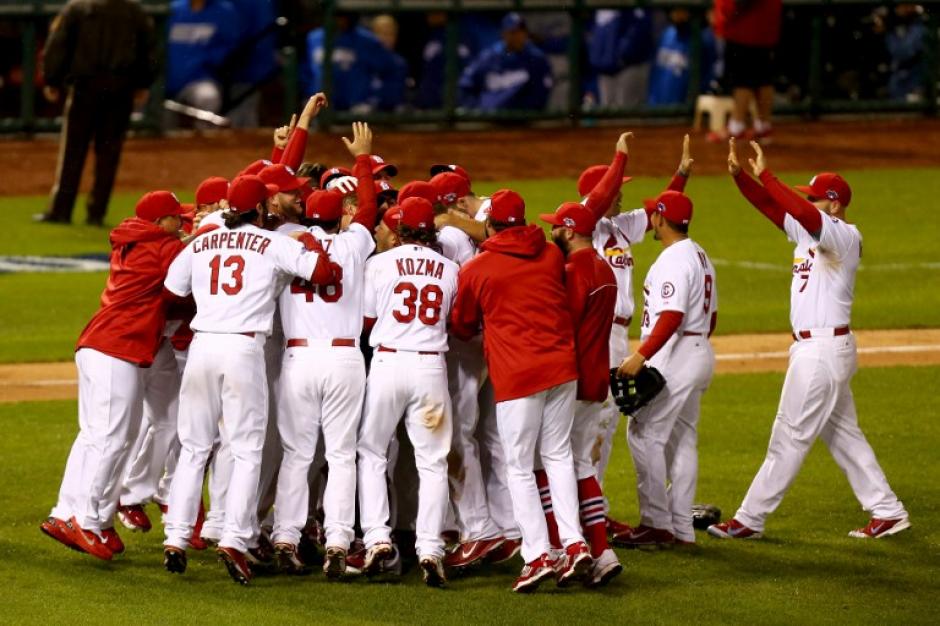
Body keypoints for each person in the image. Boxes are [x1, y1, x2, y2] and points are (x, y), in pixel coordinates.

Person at [708, 140, 910, 540]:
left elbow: (797, 210)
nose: (806, 203)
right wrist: (741, 179)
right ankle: (888, 510)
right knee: (843, 433)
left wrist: (768, 175)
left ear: (834, 205)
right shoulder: (809, 233)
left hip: (821, 352)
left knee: (788, 436)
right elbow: (773, 208)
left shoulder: (844, 237)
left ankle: (749, 519)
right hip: (817, 350)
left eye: (815, 198)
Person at [161, 175, 338, 585]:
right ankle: (236, 540)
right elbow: (323, 272)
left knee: (193, 448)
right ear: (261, 208)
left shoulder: (203, 236)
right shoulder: (273, 242)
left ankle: (176, 538)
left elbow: (172, 289)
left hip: (203, 345)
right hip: (243, 350)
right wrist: (309, 240)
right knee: (246, 450)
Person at [449, 189, 591, 593]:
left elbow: (461, 325)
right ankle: (575, 543)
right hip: (563, 368)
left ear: (490, 224)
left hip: (518, 376)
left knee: (519, 466)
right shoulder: (548, 252)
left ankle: (538, 554)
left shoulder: (477, 268)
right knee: (558, 456)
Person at [41, 191, 187, 559]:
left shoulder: (135, 239)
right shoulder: (161, 247)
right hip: (116, 350)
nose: (180, 223)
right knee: (112, 437)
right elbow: (186, 285)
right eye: (174, 218)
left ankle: (66, 512)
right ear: (159, 222)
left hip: (98, 345)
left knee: (94, 436)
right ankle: (86, 521)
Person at [272, 122, 378, 578]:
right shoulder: (355, 242)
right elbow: (370, 209)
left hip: (297, 361)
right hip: (344, 360)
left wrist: (283, 149)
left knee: (297, 455)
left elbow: (271, 199)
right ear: (341, 216)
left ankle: (285, 537)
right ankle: (338, 540)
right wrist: (364, 159)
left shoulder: (283, 242)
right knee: (341, 454)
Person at [357, 197, 459, 588]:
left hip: (387, 365)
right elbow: (456, 321)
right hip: (431, 368)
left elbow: (367, 321)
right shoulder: (450, 269)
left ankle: (378, 538)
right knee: (433, 463)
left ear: (398, 231)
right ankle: (431, 548)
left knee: (371, 452)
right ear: (431, 231)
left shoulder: (378, 264)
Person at [615, 189, 717, 548]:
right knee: (683, 438)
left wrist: (641, 355)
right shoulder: (700, 255)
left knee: (645, 434)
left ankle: (656, 524)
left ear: (659, 218)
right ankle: (681, 528)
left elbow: (671, 316)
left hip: (675, 351)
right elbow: (713, 316)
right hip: (700, 348)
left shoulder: (674, 259)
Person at [538, 201, 622, 587]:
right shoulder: (605, 267)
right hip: (597, 377)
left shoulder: (574, 271)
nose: (553, 231)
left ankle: (561, 547)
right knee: (580, 464)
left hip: (570, 380)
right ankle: (603, 551)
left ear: (570, 231)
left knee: (547, 462)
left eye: (557, 226)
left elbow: (563, 322)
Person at [37, 0, 157, 226]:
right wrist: (143, 83)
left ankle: (61, 210)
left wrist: (52, 78)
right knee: (109, 154)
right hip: (120, 90)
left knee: (73, 151)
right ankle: (97, 213)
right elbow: (149, 50)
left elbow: (58, 44)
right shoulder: (134, 10)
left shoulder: (78, 8)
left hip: (85, 88)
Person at [710, 0, 782, 142]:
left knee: (742, 79)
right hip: (764, 27)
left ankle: (736, 127)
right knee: (763, 77)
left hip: (743, 27)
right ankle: (763, 126)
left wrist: (724, 14)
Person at [305, 13, 403, 112]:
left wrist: (375, 101)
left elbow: (393, 68)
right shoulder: (313, 38)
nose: (340, 20)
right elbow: (306, 72)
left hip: (355, 110)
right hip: (319, 108)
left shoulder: (366, 40)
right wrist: (307, 96)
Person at [166, 0, 240, 126]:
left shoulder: (224, 11)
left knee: (208, 97)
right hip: (167, 81)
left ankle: (206, 141)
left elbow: (229, 46)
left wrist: (200, 62)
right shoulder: (174, 9)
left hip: (199, 79)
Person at [459, 13, 553, 112]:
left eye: (520, 31)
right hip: (488, 121)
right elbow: (467, 84)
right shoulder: (488, 57)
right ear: (503, 33)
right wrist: (476, 108)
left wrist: (523, 112)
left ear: (526, 33)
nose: (517, 36)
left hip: (524, 122)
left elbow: (541, 93)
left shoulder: (536, 59)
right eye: (512, 32)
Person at [587, 8, 654, 108]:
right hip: (605, 68)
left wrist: (621, 55)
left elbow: (640, 29)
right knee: (608, 117)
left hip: (630, 66)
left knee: (626, 118)